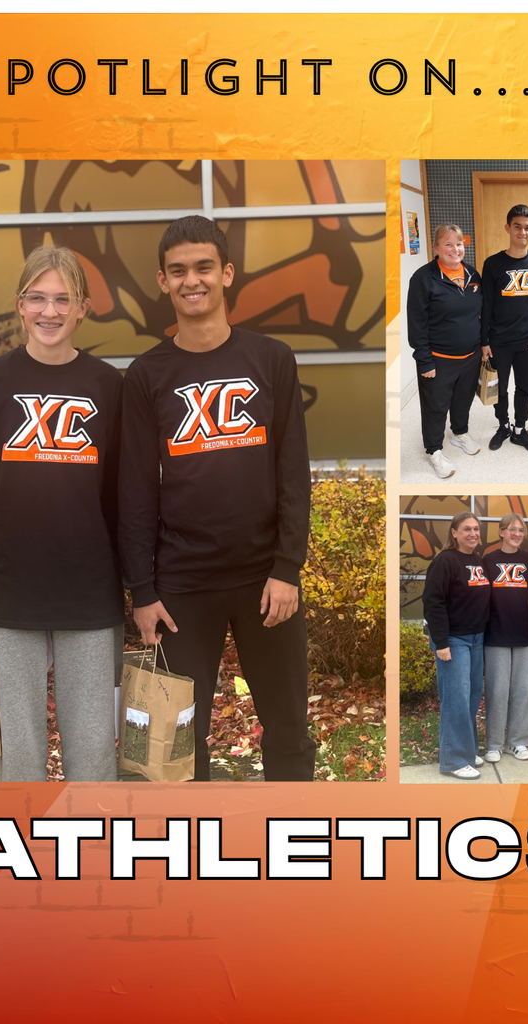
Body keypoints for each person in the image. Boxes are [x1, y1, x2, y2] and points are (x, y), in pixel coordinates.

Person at [119, 215, 315, 782]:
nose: (191, 280)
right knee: (180, 740)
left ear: (227, 273)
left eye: (204, 267)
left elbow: (292, 472)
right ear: (162, 280)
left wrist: (287, 568)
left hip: (264, 582)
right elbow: (134, 489)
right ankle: (198, 853)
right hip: (182, 588)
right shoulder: (145, 375)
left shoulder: (271, 358)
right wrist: (143, 590)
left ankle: (294, 843)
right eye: (177, 271)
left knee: (287, 728)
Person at [0, 246, 124, 782]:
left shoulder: (108, 387)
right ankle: (22, 852)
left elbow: (123, 495)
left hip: (89, 591)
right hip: (8, 589)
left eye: (63, 299)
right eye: (38, 298)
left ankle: (91, 854)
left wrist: (139, 582)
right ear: (20, 306)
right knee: (18, 754)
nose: (51, 311)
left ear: (83, 308)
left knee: (93, 750)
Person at [406, 223, 482, 479]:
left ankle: (459, 433)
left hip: (470, 356)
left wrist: (482, 346)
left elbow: (479, 314)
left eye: (459, 243)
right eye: (447, 244)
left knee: (463, 399)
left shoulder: (473, 275)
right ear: (436, 247)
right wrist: (424, 360)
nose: (454, 249)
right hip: (438, 359)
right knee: (436, 407)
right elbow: (416, 324)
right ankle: (434, 451)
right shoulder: (423, 278)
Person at [423, 512, 491, 779]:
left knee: (472, 697)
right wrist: (441, 642)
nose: (473, 533)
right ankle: (453, 760)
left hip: (476, 638)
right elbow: (433, 602)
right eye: (466, 529)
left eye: (476, 529)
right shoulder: (445, 561)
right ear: (453, 532)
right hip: (453, 639)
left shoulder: (476, 559)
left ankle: (466, 749)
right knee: (456, 700)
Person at [481, 204, 528, 454]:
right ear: (508, 228)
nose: (522, 232)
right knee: (500, 388)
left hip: (527, 338)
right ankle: (503, 426)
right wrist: (483, 339)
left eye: (527, 228)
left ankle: (520, 429)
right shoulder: (493, 263)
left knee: (525, 386)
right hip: (498, 340)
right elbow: (485, 304)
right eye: (517, 226)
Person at [482, 513, 528, 762]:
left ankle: (518, 742)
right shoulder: (488, 561)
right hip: (496, 634)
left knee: (523, 690)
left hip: (523, 633)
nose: (517, 534)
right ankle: (493, 744)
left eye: (521, 530)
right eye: (512, 529)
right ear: (501, 532)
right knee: (497, 691)